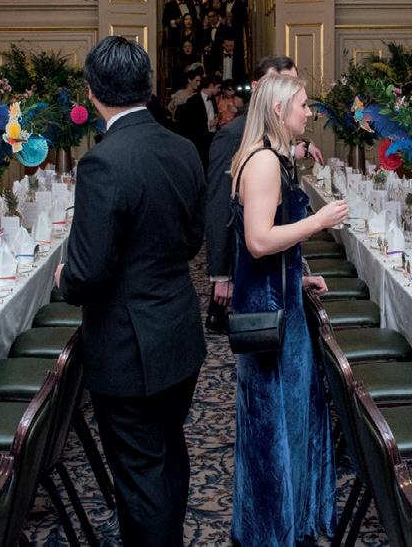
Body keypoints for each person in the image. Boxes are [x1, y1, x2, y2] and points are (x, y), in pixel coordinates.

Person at [54, 36, 206, 547]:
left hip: (128, 346)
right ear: (148, 86)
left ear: (93, 92)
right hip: (179, 330)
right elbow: (193, 239)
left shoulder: (103, 162)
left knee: (140, 477)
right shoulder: (184, 148)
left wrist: (63, 278)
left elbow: (88, 273)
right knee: (168, 454)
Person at [229, 72, 345, 546]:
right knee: (274, 423)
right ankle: (273, 530)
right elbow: (258, 241)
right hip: (270, 311)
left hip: (280, 297)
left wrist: (297, 277)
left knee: (288, 417)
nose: (308, 113)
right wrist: (318, 222)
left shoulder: (272, 157)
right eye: (303, 105)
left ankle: (285, 522)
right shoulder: (263, 163)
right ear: (279, 110)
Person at [205, 56, 325, 332]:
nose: (307, 111)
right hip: (259, 285)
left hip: (274, 277)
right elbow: (220, 205)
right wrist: (221, 274)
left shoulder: (274, 144)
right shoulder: (240, 141)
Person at [177, 74, 220, 166]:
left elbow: (212, 113)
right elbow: (190, 123)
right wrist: (208, 124)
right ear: (211, 86)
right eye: (217, 87)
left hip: (212, 137)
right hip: (200, 140)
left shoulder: (212, 99)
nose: (219, 90)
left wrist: (216, 119)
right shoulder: (193, 100)